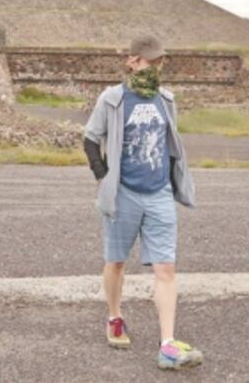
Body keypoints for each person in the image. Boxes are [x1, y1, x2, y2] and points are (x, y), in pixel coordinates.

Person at [83, 35, 202, 371]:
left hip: (159, 193)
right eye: (151, 61)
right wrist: (104, 176)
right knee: (116, 262)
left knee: (166, 268)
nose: (157, 67)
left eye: (160, 61)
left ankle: (167, 344)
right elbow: (91, 139)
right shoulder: (113, 99)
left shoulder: (167, 99)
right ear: (132, 61)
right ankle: (114, 316)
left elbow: (170, 141)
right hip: (123, 194)